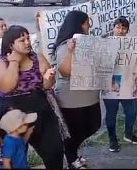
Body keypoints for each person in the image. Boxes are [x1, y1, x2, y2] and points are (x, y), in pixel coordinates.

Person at [0, 25, 63, 170]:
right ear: (11, 44)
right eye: (22, 40)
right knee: (14, 159)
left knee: (54, 151)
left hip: (39, 111)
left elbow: (47, 85)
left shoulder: (37, 57)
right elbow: (7, 87)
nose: (27, 42)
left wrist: (48, 77)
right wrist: (14, 61)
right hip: (11, 115)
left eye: (28, 38)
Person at [54, 11, 101, 169]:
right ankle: (72, 158)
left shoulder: (89, 42)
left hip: (90, 96)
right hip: (71, 99)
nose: (89, 26)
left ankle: (72, 152)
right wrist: (71, 51)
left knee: (93, 125)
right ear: (80, 24)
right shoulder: (66, 45)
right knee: (74, 132)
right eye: (87, 22)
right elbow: (65, 71)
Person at [101, 17, 137, 153]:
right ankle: (112, 140)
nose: (120, 30)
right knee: (111, 113)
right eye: (118, 27)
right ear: (113, 28)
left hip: (128, 80)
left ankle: (128, 133)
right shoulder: (104, 42)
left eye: (123, 28)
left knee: (132, 111)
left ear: (127, 30)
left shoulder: (132, 43)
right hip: (111, 81)